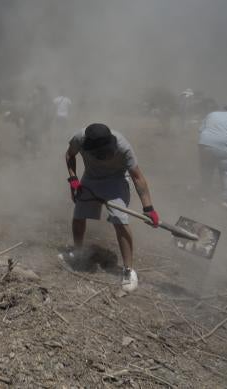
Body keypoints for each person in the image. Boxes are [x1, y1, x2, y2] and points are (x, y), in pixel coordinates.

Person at [64, 123, 159, 292]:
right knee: (79, 214)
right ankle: (79, 253)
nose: (106, 154)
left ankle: (128, 270)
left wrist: (148, 208)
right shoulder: (79, 138)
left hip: (116, 181)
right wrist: (73, 179)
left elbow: (138, 178)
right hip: (91, 179)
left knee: (119, 219)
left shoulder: (123, 147)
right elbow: (69, 155)